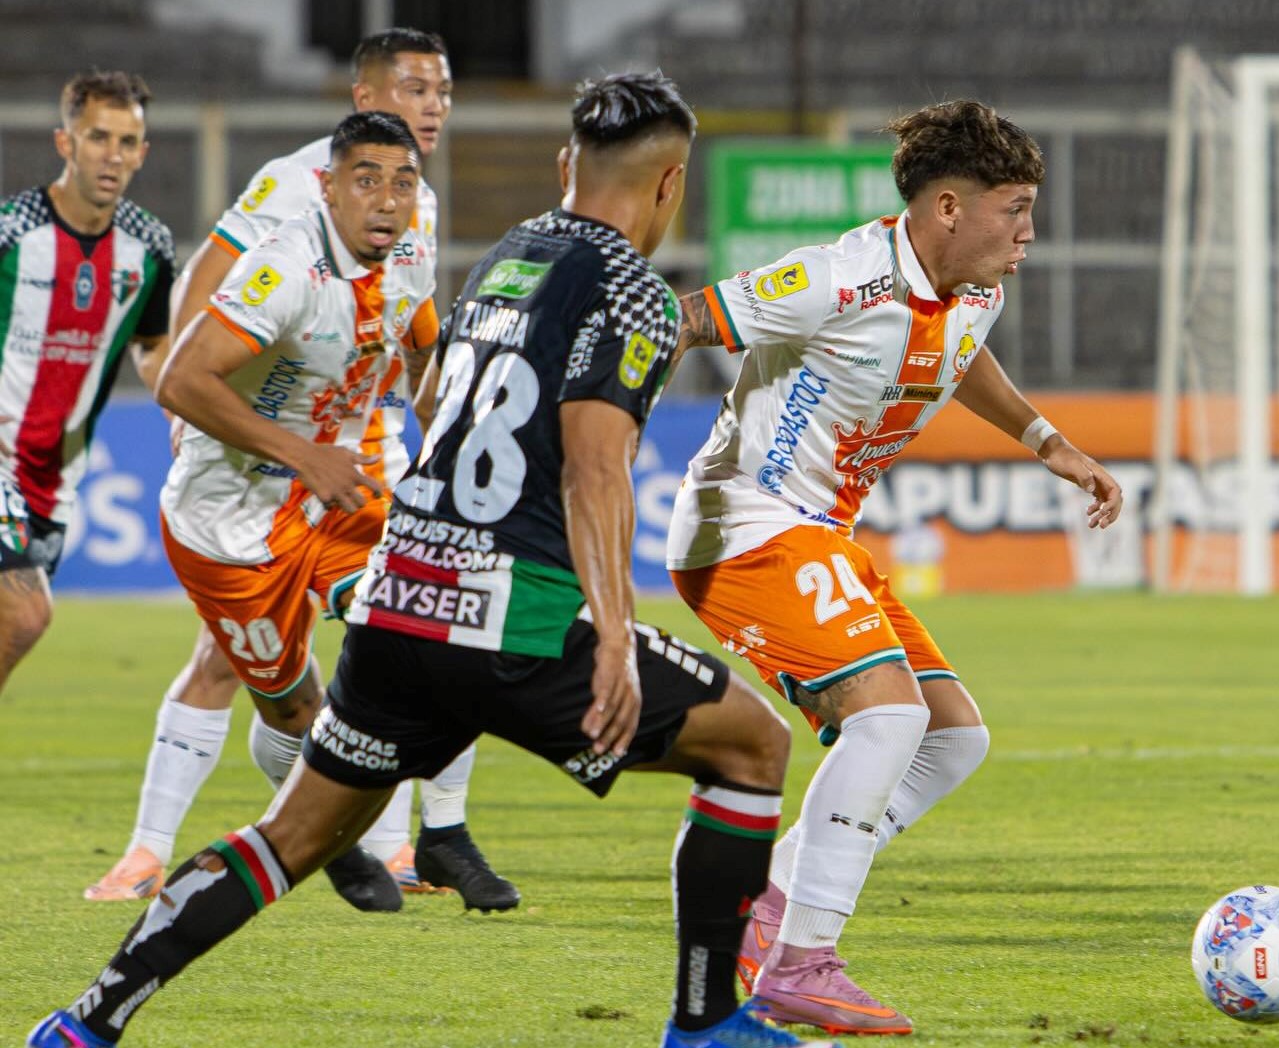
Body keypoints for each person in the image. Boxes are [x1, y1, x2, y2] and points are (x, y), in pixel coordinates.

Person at [28, 72, 838, 1048]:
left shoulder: (508, 253)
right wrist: (615, 637)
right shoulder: (633, 288)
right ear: (669, 186)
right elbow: (594, 471)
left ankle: (87, 1018)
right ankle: (706, 1027)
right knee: (753, 743)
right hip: (510, 619)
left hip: (395, 599)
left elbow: (440, 407)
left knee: (285, 838)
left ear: (563, 167)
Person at [666, 100, 1126, 1036]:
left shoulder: (975, 289)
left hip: (818, 535)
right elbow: (683, 322)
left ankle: (768, 904)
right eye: (1015, 209)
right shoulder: (835, 280)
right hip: (744, 521)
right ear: (949, 207)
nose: (1029, 233)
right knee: (888, 717)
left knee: (952, 738)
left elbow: (962, 359)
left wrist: (1048, 441)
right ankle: (801, 960)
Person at [84, 27, 519, 915]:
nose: (434, 105)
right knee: (287, 702)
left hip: (353, 469)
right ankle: (320, 832)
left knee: (435, 620)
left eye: (444, 91)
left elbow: (420, 324)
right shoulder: (288, 221)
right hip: (237, 503)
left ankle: (437, 832)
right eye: (414, 88)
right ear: (359, 110)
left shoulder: (409, 219)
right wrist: (237, 425)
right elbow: (186, 350)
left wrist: (449, 410)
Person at [0, 71, 174, 695]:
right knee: (25, 612)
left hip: (54, 478)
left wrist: (178, 408)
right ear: (65, 143)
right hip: (1, 462)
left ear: (143, 153)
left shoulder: (150, 249)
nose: (114, 155)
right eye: (98, 137)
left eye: (128, 142)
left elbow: (152, 347)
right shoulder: (11, 233)